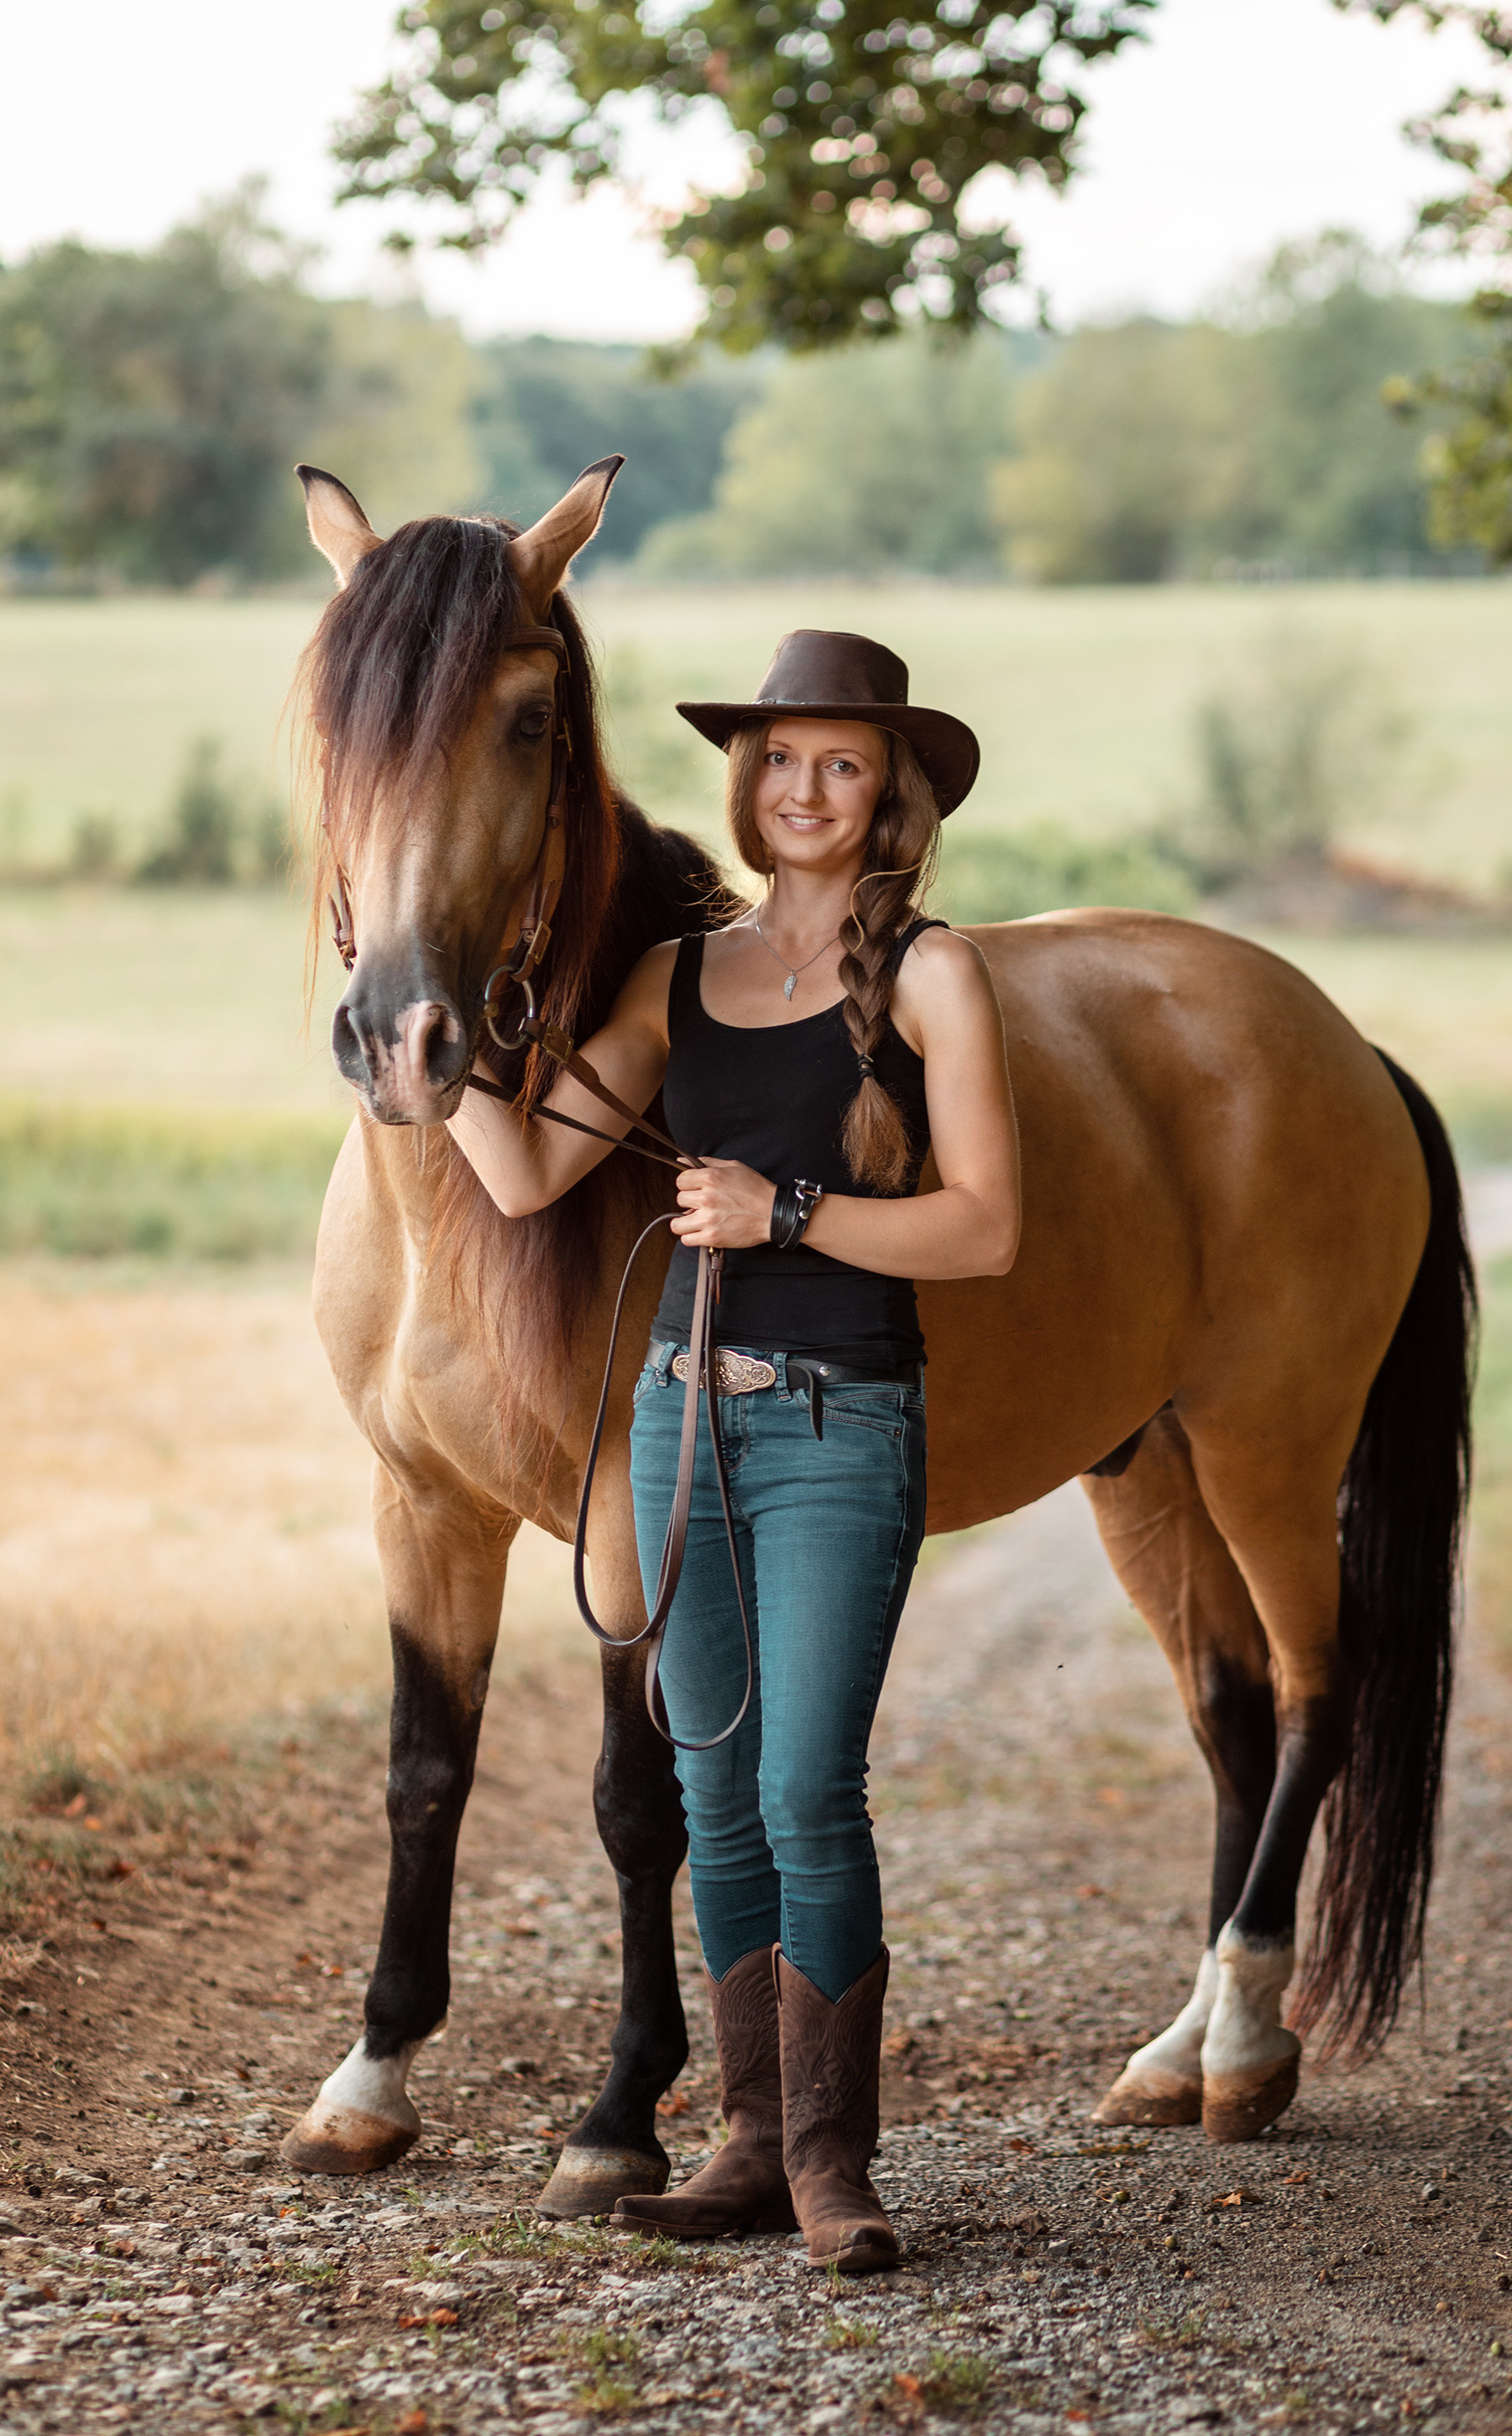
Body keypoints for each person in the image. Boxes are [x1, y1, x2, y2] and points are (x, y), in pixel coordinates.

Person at [450, 630, 1021, 2270]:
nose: (804, 790)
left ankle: (835, 2162)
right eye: (781, 760)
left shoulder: (932, 977)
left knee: (804, 1788)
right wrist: (428, 1047)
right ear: (746, 779)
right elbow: (522, 1175)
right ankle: (751, 2138)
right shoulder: (678, 974)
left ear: (891, 792)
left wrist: (788, 1212)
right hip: (679, 1413)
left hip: (846, 1422)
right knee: (711, 1790)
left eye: (841, 764)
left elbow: (984, 1231)